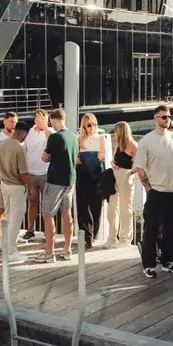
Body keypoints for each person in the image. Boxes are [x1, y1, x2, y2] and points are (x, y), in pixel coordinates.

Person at [134, 105, 173, 278]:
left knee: (172, 229)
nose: (167, 119)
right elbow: (140, 168)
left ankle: (168, 261)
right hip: (156, 191)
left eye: (169, 116)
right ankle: (148, 264)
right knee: (151, 229)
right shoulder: (146, 141)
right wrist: (149, 188)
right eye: (164, 117)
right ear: (155, 119)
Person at [35, 108, 77, 263]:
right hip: (70, 179)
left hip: (55, 181)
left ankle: (49, 252)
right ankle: (67, 249)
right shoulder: (73, 136)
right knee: (67, 214)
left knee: (48, 215)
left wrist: (45, 155)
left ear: (53, 120)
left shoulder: (54, 137)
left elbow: (45, 157)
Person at [0, 117, 32, 264]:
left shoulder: (0, 143)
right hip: (17, 187)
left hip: (4, 185)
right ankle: (12, 251)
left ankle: (5, 244)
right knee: (16, 219)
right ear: (23, 134)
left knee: (7, 216)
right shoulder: (19, 149)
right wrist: (31, 188)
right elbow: (24, 173)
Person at [74, 112, 112, 247]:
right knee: (83, 206)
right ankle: (86, 236)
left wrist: (88, 160)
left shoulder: (100, 138)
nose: (92, 127)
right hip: (83, 176)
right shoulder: (78, 139)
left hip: (96, 175)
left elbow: (102, 155)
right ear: (84, 125)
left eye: (94, 124)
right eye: (89, 125)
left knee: (96, 206)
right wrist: (86, 160)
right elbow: (75, 159)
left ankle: (93, 234)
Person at [21, 109, 50, 243]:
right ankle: (30, 229)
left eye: (43, 119)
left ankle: (47, 231)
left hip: (45, 173)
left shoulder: (50, 132)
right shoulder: (29, 133)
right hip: (31, 173)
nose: (40, 121)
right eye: (38, 119)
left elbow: (53, 141)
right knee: (31, 202)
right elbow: (23, 149)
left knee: (46, 204)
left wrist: (45, 128)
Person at [109, 121, 137, 248]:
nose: (115, 133)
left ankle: (125, 238)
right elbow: (116, 159)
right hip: (116, 175)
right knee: (113, 207)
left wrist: (131, 172)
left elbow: (140, 160)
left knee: (125, 207)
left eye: (117, 131)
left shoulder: (131, 144)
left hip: (126, 177)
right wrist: (113, 164)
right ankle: (112, 237)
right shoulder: (119, 144)